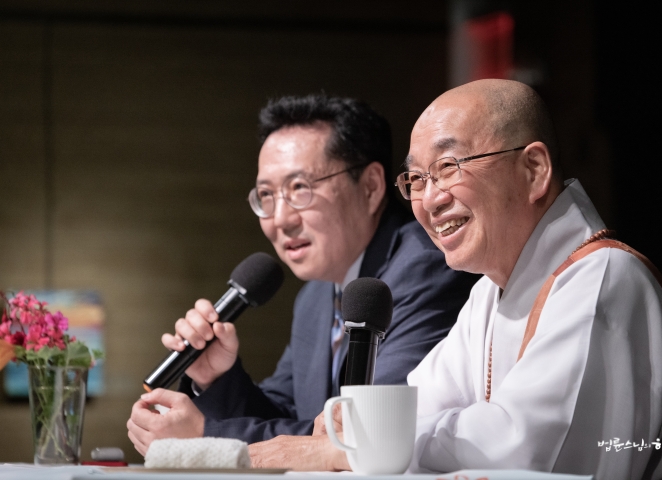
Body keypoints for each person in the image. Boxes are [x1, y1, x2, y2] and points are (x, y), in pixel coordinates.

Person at [270, 80, 662, 477]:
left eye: (448, 167)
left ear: (533, 170)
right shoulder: (488, 291)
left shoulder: (604, 276)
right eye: (417, 178)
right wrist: (358, 432)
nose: (430, 199)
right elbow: (413, 405)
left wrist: (364, 444)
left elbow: (523, 448)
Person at [126, 94, 479, 457]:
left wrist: (207, 437)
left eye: (299, 189)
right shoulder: (315, 295)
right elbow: (288, 415)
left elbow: (369, 431)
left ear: (371, 187)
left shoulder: (425, 268)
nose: (280, 219)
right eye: (266, 195)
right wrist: (215, 376)